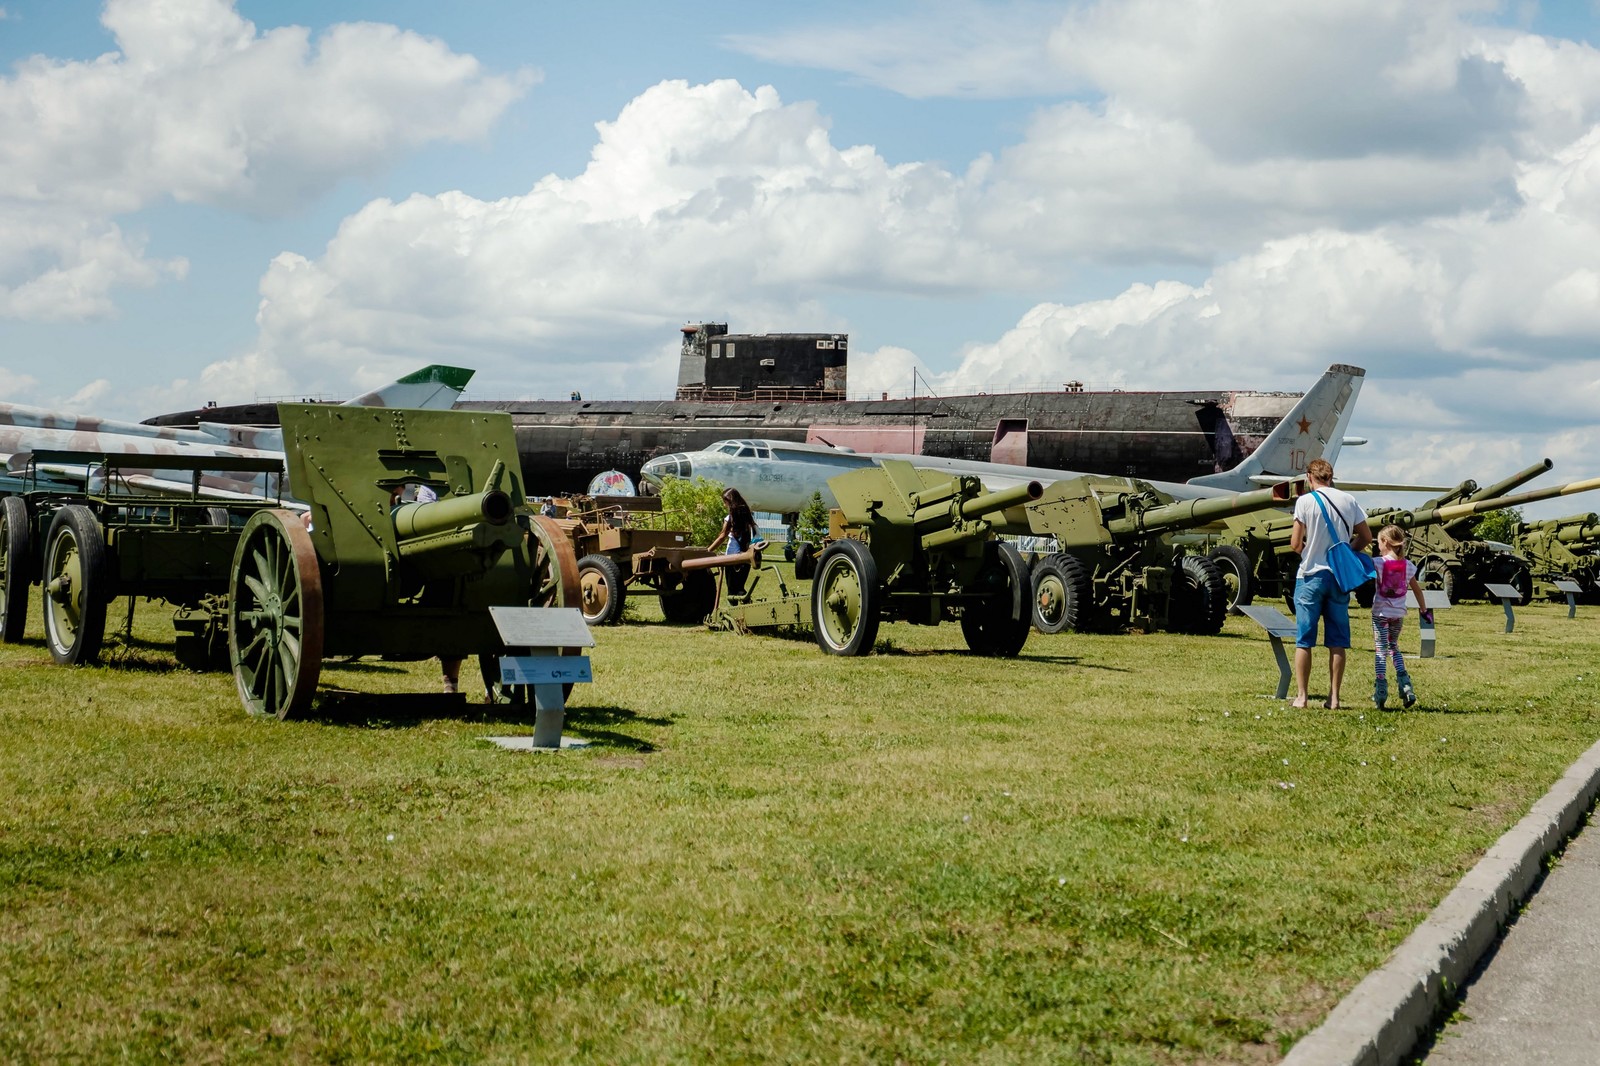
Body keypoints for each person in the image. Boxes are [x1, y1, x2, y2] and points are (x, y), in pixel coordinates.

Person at [1289, 458, 1372, 709]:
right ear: (1331, 476)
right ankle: (1334, 698)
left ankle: (1302, 696)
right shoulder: (1348, 500)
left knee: (1305, 639)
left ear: (1309, 477)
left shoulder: (1304, 501)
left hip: (1310, 575)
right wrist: (1346, 555)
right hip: (1338, 577)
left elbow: (1295, 543)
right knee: (1337, 640)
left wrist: (1308, 553)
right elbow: (1366, 536)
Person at [1370, 525, 1427, 709]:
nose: (1378, 546)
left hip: (1380, 613)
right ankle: (1406, 686)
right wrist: (1423, 608)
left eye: (1379, 542)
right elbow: (1417, 590)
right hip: (1398, 614)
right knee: (1394, 647)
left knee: (1381, 650)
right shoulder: (1409, 566)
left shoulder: (1378, 563)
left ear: (1385, 542)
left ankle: (1381, 689)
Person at [706, 487, 759, 598]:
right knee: (740, 589)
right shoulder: (747, 516)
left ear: (729, 501)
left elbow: (722, 537)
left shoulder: (730, 518)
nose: (725, 505)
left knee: (732, 592)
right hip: (745, 557)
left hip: (732, 558)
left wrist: (708, 550)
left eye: (725, 502)